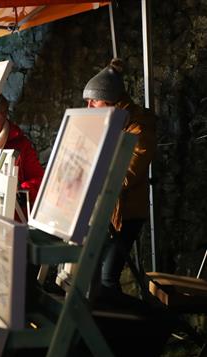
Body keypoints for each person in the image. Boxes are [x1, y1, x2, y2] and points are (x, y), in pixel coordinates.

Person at [83, 58, 156, 298]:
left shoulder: (139, 127)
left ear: (111, 100)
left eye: (94, 100)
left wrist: (96, 180)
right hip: (103, 208)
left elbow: (129, 173)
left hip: (126, 213)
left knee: (107, 278)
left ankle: (131, 332)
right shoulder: (105, 121)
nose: (90, 106)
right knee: (92, 276)